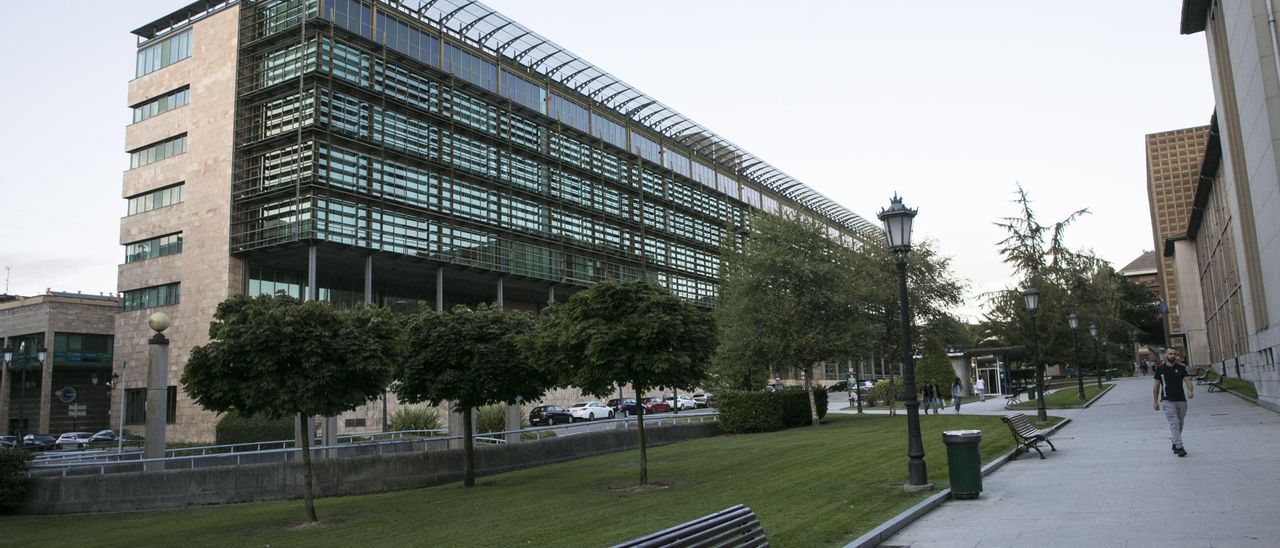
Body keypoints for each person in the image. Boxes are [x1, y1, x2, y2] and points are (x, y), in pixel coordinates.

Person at [1153, 348, 1194, 457]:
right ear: (1166, 355)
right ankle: (1180, 447)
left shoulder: (1181, 368)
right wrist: (1155, 401)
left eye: (1174, 354)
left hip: (1181, 400)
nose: (1172, 356)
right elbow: (1156, 386)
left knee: (1180, 423)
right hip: (1167, 401)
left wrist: (1190, 391)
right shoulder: (1160, 370)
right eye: (1170, 354)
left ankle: (1175, 443)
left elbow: (1187, 380)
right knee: (1174, 423)